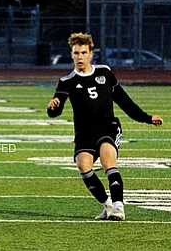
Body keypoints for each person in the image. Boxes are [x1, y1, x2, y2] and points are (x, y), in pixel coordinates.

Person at [46, 33, 163, 221]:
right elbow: (55, 110)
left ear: (91, 54)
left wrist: (147, 118)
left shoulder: (105, 73)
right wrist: (52, 107)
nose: (80, 57)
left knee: (108, 162)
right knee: (83, 165)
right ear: (71, 54)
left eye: (84, 52)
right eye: (76, 53)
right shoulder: (66, 81)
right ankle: (107, 205)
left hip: (108, 127)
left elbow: (124, 101)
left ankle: (119, 206)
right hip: (84, 132)